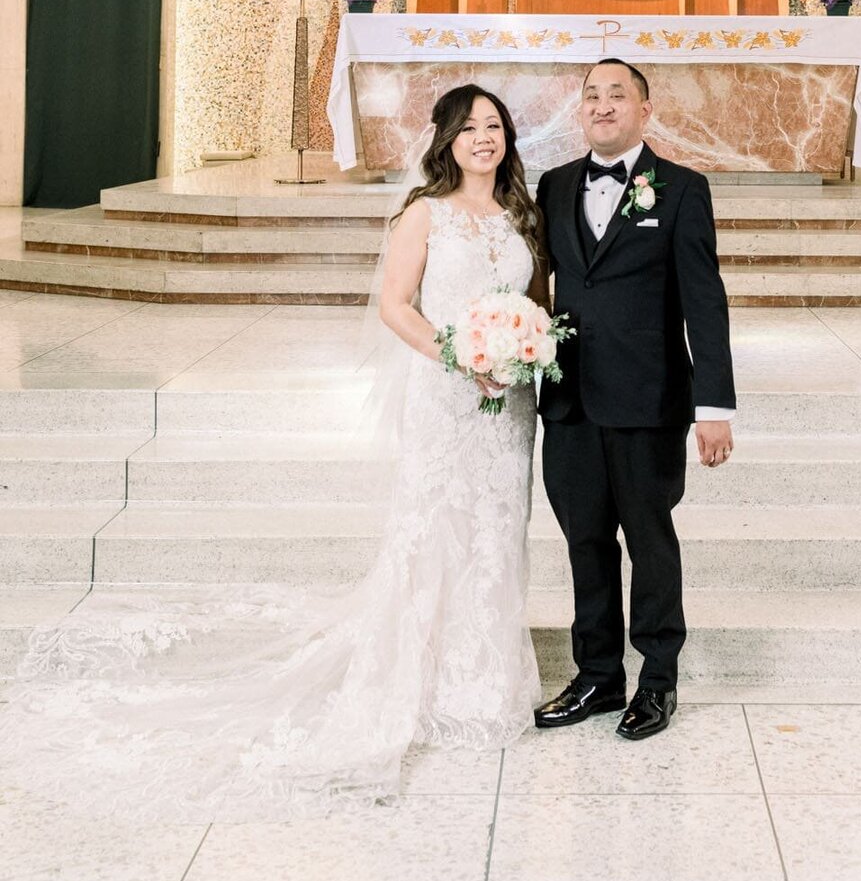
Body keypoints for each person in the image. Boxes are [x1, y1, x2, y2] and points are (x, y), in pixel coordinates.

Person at [0, 86, 544, 821]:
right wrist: (457, 355)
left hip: (509, 403)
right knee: (436, 524)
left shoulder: (522, 215)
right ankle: (422, 674)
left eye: (495, 126)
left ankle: (485, 675)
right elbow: (395, 305)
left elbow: (534, 303)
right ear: (445, 139)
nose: (485, 137)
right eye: (470, 126)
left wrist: (521, 350)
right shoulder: (424, 213)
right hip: (447, 397)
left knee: (497, 528)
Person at [534, 57, 736, 741]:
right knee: (584, 543)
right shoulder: (554, 185)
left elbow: (704, 304)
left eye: (617, 95)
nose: (603, 105)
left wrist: (714, 408)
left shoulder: (680, 189)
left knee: (649, 544)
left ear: (645, 110)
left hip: (648, 400)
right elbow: (537, 288)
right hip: (569, 402)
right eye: (591, 95)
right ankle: (596, 675)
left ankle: (657, 681)